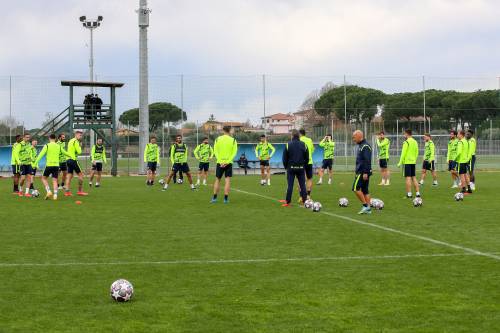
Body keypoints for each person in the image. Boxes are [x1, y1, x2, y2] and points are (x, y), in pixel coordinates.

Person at [35, 134, 70, 201]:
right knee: (54, 180)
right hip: (56, 165)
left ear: (49, 138)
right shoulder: (58, 146)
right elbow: (65, 153)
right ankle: (55, 195)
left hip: (49, 165)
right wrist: (71, 155)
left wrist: (35, 163)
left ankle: (48, 191)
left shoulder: (47, 145)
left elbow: (40, 155)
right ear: (55, 138)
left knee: (43, 178)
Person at [281, 129, 308, 207]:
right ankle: (305, 201)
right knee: (302, 185)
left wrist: (286, 167)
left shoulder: (288, 144)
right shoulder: (304, 144)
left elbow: (284, 158)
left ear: (292, 136)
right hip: (301, 168)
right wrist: (304, 166)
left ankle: (288, 202)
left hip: (291, 168)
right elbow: (307, 157)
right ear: (299, 136)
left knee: (290, 185)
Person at [212, 126, 238, 204]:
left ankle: (214, 198)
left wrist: (220, 161)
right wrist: (227, 161)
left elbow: (215, 151)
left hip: (219, 162)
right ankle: (225, 199)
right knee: (227, 180)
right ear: (229, 131)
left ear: (223, 130)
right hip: (228, 163)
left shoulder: (217, 139)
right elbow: (234, 152)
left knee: (217, 180)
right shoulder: (233, 140)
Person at [352, 130, 373, 214]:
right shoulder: (362, 145)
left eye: (354, 137)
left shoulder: (365, 146)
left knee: (355, 188)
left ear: (359, 136)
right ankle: (368, 209)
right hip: (363, 171)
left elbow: (367, 160)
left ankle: (365, 206)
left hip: (362, 172)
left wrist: (365, 172)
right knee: (365, 190)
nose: (353, 139)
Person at [397, 129, 420, 198]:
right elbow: (417, 152)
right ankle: (418, 193)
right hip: (413, 162)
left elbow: (403, 153)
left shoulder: (406, 142)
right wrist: (414, 160)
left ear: (407, 134)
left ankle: (409, 194)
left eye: (404, 134)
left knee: (408, 178)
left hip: (407, 162)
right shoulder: (415, 142)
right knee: (414, 177)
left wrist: (400, 162)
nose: (404, 135)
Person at [64, 131, 87, 196]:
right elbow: (79, 151)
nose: (81, 136)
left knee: (69, 175)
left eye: (81, 135)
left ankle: (67, 192)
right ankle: (80, 191)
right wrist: (80, 146)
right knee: (81, 175)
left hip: (68, 160)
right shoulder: (76, 141)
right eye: (80, 135)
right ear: (76, 135)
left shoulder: (70, 140)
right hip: (73, 160)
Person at [299, 129, 315, 198]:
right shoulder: (310, 140)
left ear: (300, 134)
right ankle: (308, 195)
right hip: (309, 161)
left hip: (301, 162)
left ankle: (301, 196)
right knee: (309, 178)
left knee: (300, 179)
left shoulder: (298, 140)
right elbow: (312, 150)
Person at [456, 130, 472, 194]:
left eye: (458, 134)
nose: (457, 135)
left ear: (461, 135)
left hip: (461, 161)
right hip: (465, 160)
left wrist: (455, 159)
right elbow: (469, 151)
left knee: (461, 175)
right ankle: (469, 188)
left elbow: (459, 152)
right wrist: (467, 158)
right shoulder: (466, 141)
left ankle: (463, 189)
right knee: (465, 174)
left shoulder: (460, 142)